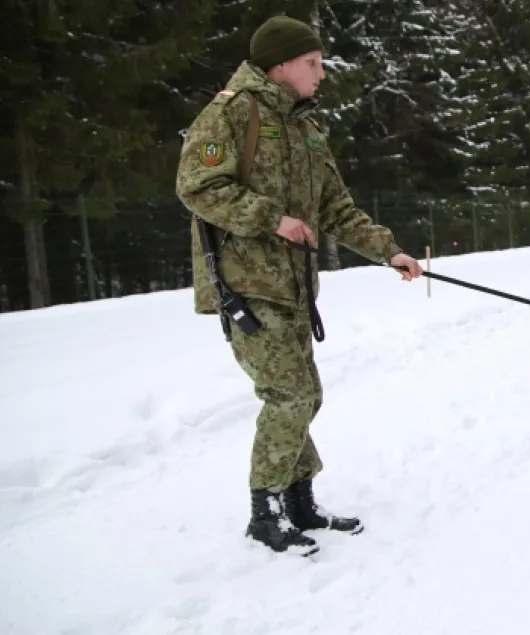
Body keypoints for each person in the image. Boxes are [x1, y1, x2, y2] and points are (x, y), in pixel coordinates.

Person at [175, 15, 424, 556]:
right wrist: (271, 218)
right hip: (245, 283)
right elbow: (196, 186)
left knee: (302, 395)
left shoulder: (305, 125)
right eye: (313, 63)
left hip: (292, 285)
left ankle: (300, 499)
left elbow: (335, 206)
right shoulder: (232, 112)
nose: (322, 73)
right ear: (280, 65)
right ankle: (264, 511)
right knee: (290, 395)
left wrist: (390, 251)